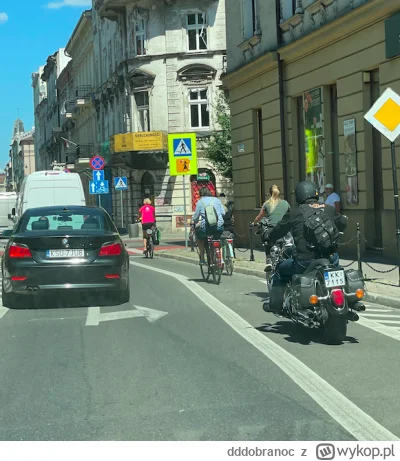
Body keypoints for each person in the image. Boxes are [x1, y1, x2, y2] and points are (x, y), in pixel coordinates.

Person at [263, 181, 347, 313]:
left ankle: (276, 305)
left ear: (299, 196)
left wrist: (269, 237)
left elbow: (279, 229)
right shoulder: (329, 208)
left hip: (305, 261)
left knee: (279, 270)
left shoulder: (296, 212)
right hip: (331, 258)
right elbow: (342, 223)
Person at [252, 185, 291, 268]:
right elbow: (290, 214)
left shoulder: (267, 204)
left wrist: (254, 223)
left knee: (267, 242)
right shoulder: (285, 203)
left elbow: (259, 217)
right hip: (283, 230)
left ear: (269, 193)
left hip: (272, 229)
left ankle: (269, 260)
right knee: (288, 244)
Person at [192, 187, 225, 265]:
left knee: (200, 237)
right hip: (219, 226)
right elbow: (223, 213)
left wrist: (195, 222)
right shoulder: (216, 200)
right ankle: (221, 258)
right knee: (218, 239)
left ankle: (202, 258)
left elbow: (196, 217)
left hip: (206, 228)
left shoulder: (200, 202)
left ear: (200, 194)